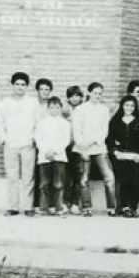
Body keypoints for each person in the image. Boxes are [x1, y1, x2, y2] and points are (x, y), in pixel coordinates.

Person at [0, 71, 39, 216]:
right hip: (11, 145)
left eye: (23, 84)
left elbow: (38, 123)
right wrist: (4, 139)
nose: (20, 87)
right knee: (12, 177)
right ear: (13, 85)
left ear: (27, 86)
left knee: (28, 177)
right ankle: (13, 207)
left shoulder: (32, 102)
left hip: (28, 144)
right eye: (17, 84)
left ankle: (28, 207)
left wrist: (33, 138)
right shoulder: (5, 103)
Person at [72, 82, 118, 217]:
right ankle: (87, 207)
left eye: (100, 93)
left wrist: (95, 141)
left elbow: (104, 130)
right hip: (83, 148)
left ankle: (111, 207)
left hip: (99, 147)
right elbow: (76, 130)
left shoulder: (104, 109)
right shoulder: (80, 109)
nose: (97, 96)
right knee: (83, 178)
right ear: (89, 93)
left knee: (109, 177)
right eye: (95, 93)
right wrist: (83, 145)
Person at [107, 94, 139, 218]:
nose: (129, 108)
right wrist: (115, 152)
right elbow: (109, 140)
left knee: (134, 182)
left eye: (132, 105)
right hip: (120, 156)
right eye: (126, 105)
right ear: (122, 106)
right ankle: (124, 207)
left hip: (134, 157)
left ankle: (133, 208)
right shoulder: (115, 121)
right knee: (124, 182)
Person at [34, 96, 72, 215]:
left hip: (59, 156)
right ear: (48, 108)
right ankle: (43, 208)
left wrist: (55, 151)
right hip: (44, 156)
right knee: (44, 184)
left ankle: (58, 208)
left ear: (60, 108)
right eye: (52, 107)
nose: (54, 110)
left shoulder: (65, 123)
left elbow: (66, 140)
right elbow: (38, 138)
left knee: (58, 184)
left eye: (57, 107)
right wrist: (46, 151)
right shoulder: (42, 123)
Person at [63, 85, 85, 214]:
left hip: (79, 147)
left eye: (77, 96)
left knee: (78, 176)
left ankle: (76, 203)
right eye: (72, 96)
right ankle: (66, 202)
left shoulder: (84, 109)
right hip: (66, 146)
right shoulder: (64, 110)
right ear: (68, 98)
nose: (75, 98)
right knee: (66, 177)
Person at [33, 77, 54, 208]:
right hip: (35, 143)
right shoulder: (32, 105)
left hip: (50, 145)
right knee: (36, 175)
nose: (44, 92)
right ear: (37, 90)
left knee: (50, 175)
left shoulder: (53, 105)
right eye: (42, 89)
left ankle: (50, 204)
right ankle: (36, 204)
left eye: (47, 89)